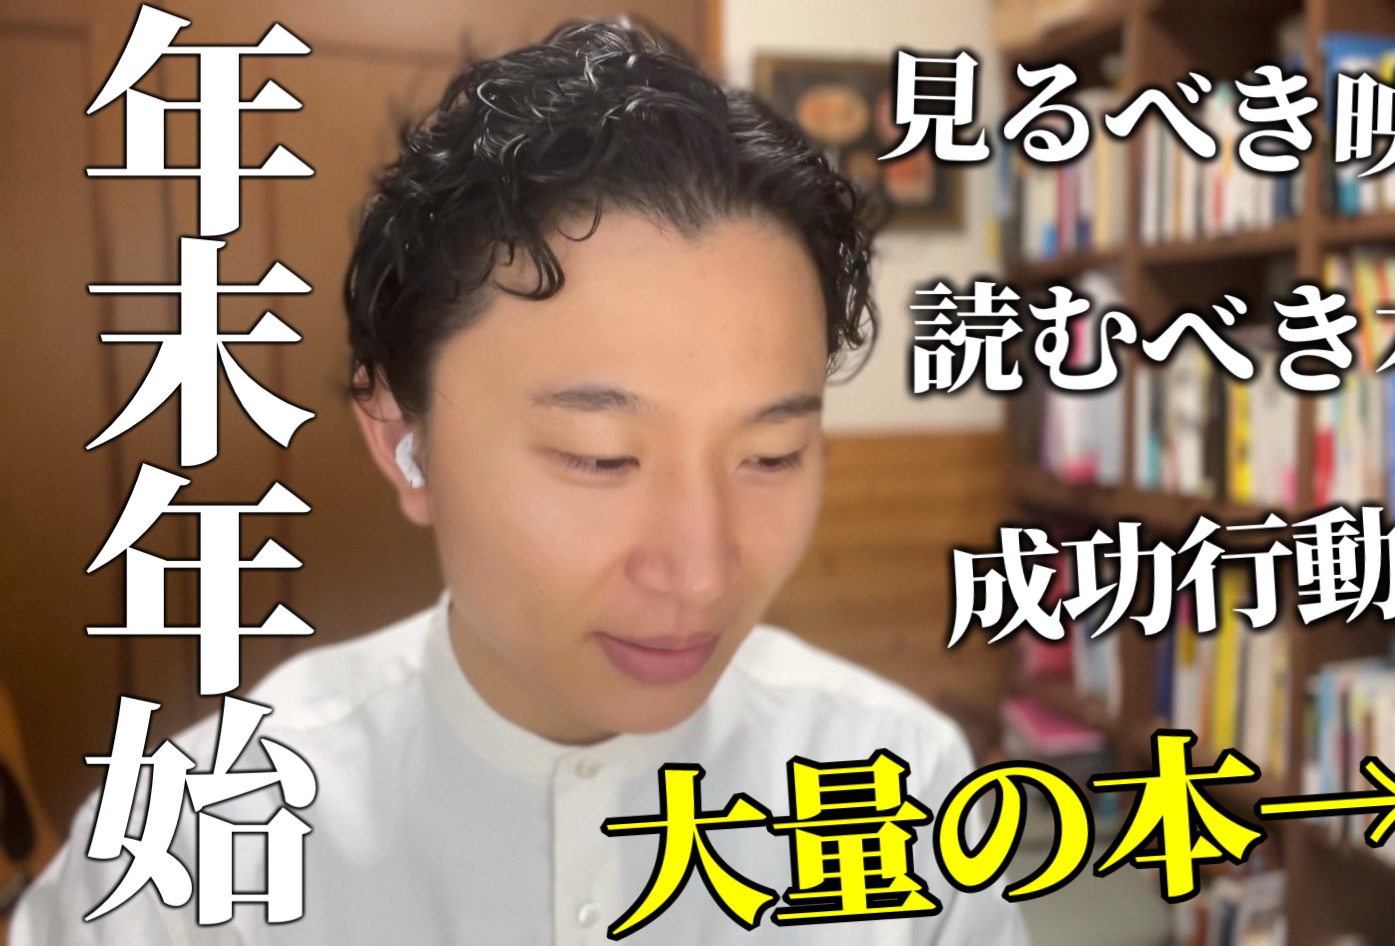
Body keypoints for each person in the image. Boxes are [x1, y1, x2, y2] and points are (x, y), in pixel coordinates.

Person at [11, 18, 1030, 946]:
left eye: (771, 456)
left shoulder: (898, 783)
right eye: (600, 456)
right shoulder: (192, 847)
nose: (701, 570)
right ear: (403, 441)